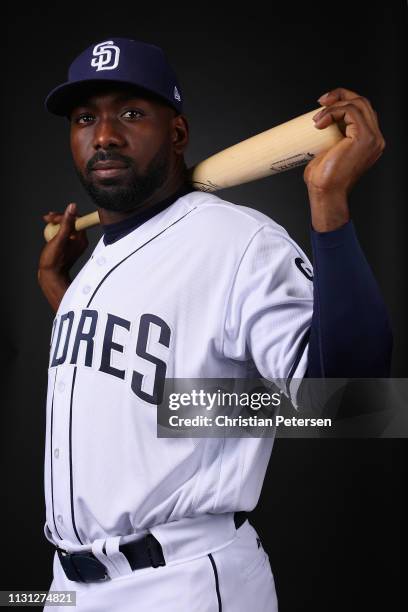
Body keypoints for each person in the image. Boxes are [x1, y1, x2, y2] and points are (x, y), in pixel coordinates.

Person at [38, 38, 392, 611]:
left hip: (182, 581)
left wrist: (328, 200)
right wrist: (60, 289)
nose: (103, 135)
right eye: (85, 118)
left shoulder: (239, 241)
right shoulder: (94, 260)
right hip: (60, 590)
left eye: (130, 113)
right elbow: (121, 375)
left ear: (177, 133)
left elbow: (360, 402)